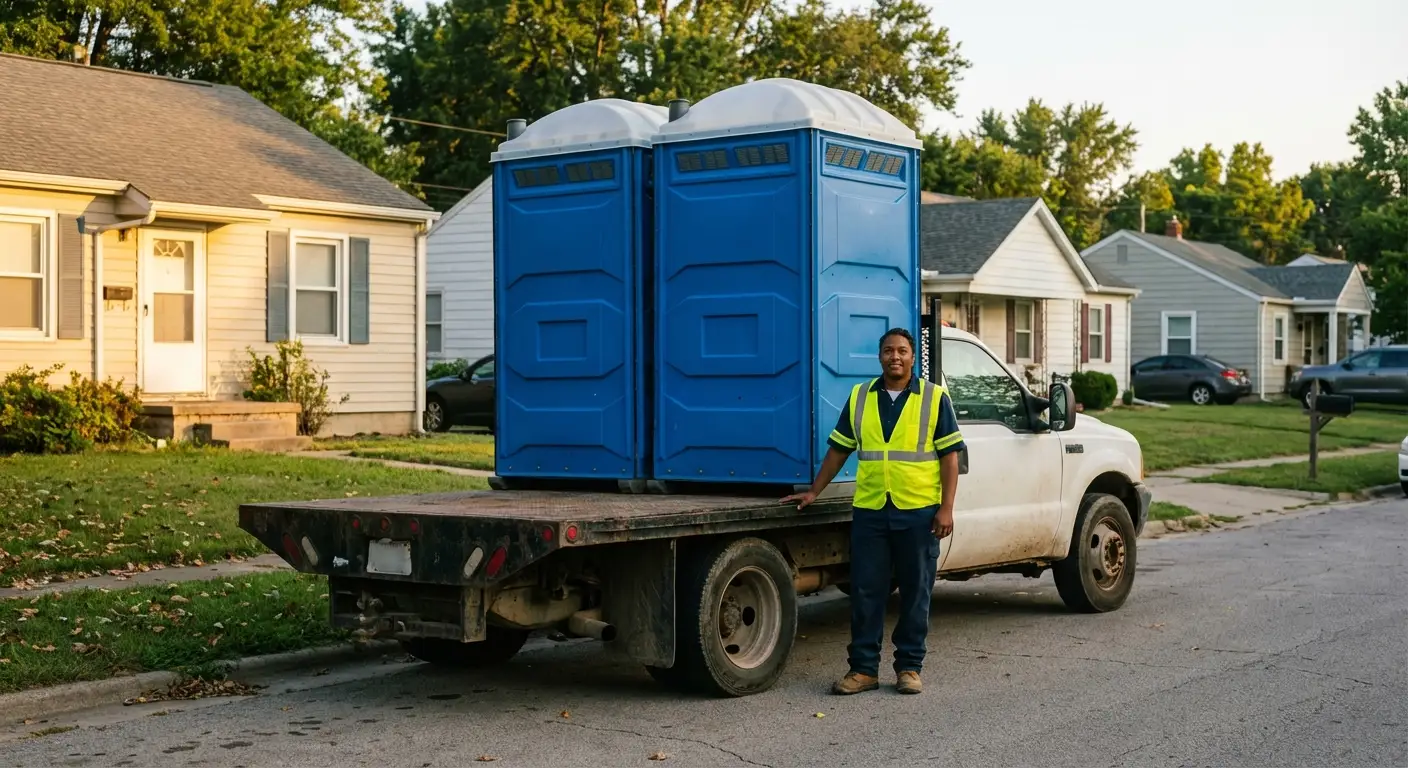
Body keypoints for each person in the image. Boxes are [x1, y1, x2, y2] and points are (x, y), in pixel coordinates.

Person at [781, 327, 964, 695]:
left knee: (916, 592)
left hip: (918, 511)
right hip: (871, 510)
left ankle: (909, 668)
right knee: (866, 592)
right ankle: (863, 670)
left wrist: (946, 509)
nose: (894, 357)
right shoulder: (860, 396)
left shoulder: (933, 398)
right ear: (879, 357)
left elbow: (950, 458)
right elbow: (839, 448)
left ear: (913, 357)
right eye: (887, 351)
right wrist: (815, 490)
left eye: (902, 351)